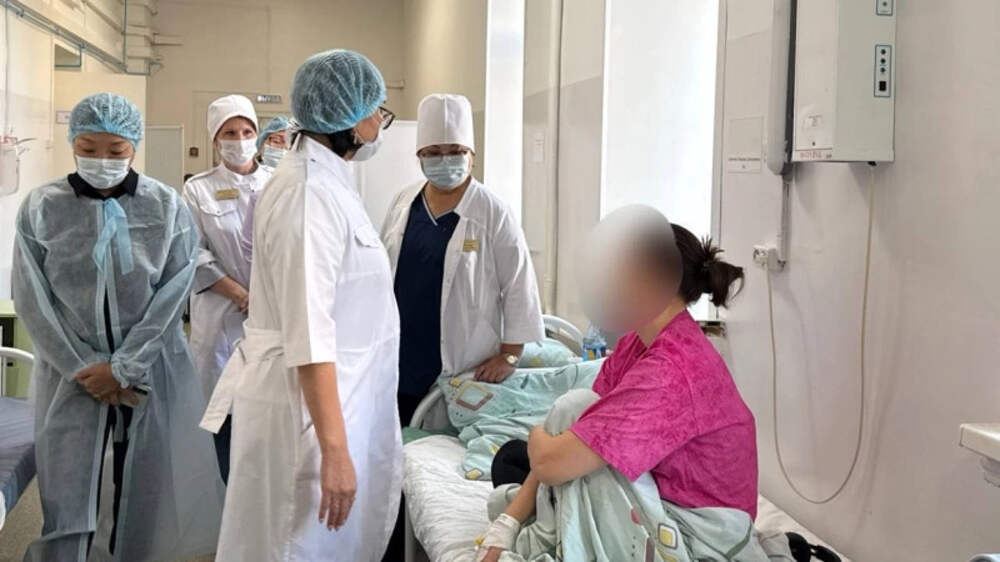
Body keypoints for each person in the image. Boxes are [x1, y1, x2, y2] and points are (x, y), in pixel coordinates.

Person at [200, 49, 403, 561]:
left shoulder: (327, 180)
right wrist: (334, 449)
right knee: (294, 545)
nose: (380, 123)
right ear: (349, 117)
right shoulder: (308, 192)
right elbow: (309, 331)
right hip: (307, 417)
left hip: (334, 403)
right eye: (377, 110)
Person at [12, 92, 224, 561]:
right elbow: (31, 297)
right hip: (71, 378)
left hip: (148, 373)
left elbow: (174, 292)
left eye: (116, 150)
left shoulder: (165, 206)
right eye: (88, 149)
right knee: (66, 492)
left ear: (135, 147)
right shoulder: (43, 207)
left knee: (143, 485)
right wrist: (82, 368)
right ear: (72, 143)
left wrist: (125, 367)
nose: (102, 160)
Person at [478, 207, 756, 561]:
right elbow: (580, 433)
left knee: (559, 428)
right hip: (659, 490)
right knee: (527, 450)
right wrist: (507, 524)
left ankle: (551, 528)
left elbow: (552, 460)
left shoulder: (672, 370)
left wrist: (539, 437)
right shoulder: (638, 343)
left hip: (705, 534)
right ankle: (545, 515)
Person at [382, 93, 545, 426]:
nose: (445, 161)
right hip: (400, 352)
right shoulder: (404, 202)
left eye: (455, 151)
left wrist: (510, 355)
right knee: (397, 436)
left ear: (472, 156)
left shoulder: (493, 211)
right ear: (419, 157)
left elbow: (518, 284)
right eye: (433, 153)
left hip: (465, 358)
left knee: (441, 441)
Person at [183, 94, 272, 482]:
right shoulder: (198, 190)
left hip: (270, 317)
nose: (239, 140)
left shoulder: (277, 183)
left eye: (247, 131)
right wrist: (239, 294)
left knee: (268, 412)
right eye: (229, 133)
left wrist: (266, 297)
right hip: (221, 316)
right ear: (215, 140)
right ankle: (223, 499)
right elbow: (192, 253)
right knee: (223, 414)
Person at [239, 115, 290, 263]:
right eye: (273, 140)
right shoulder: (246, 180)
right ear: (261, 145)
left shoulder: (299, 182)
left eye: (283, 141)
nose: (277, 146)